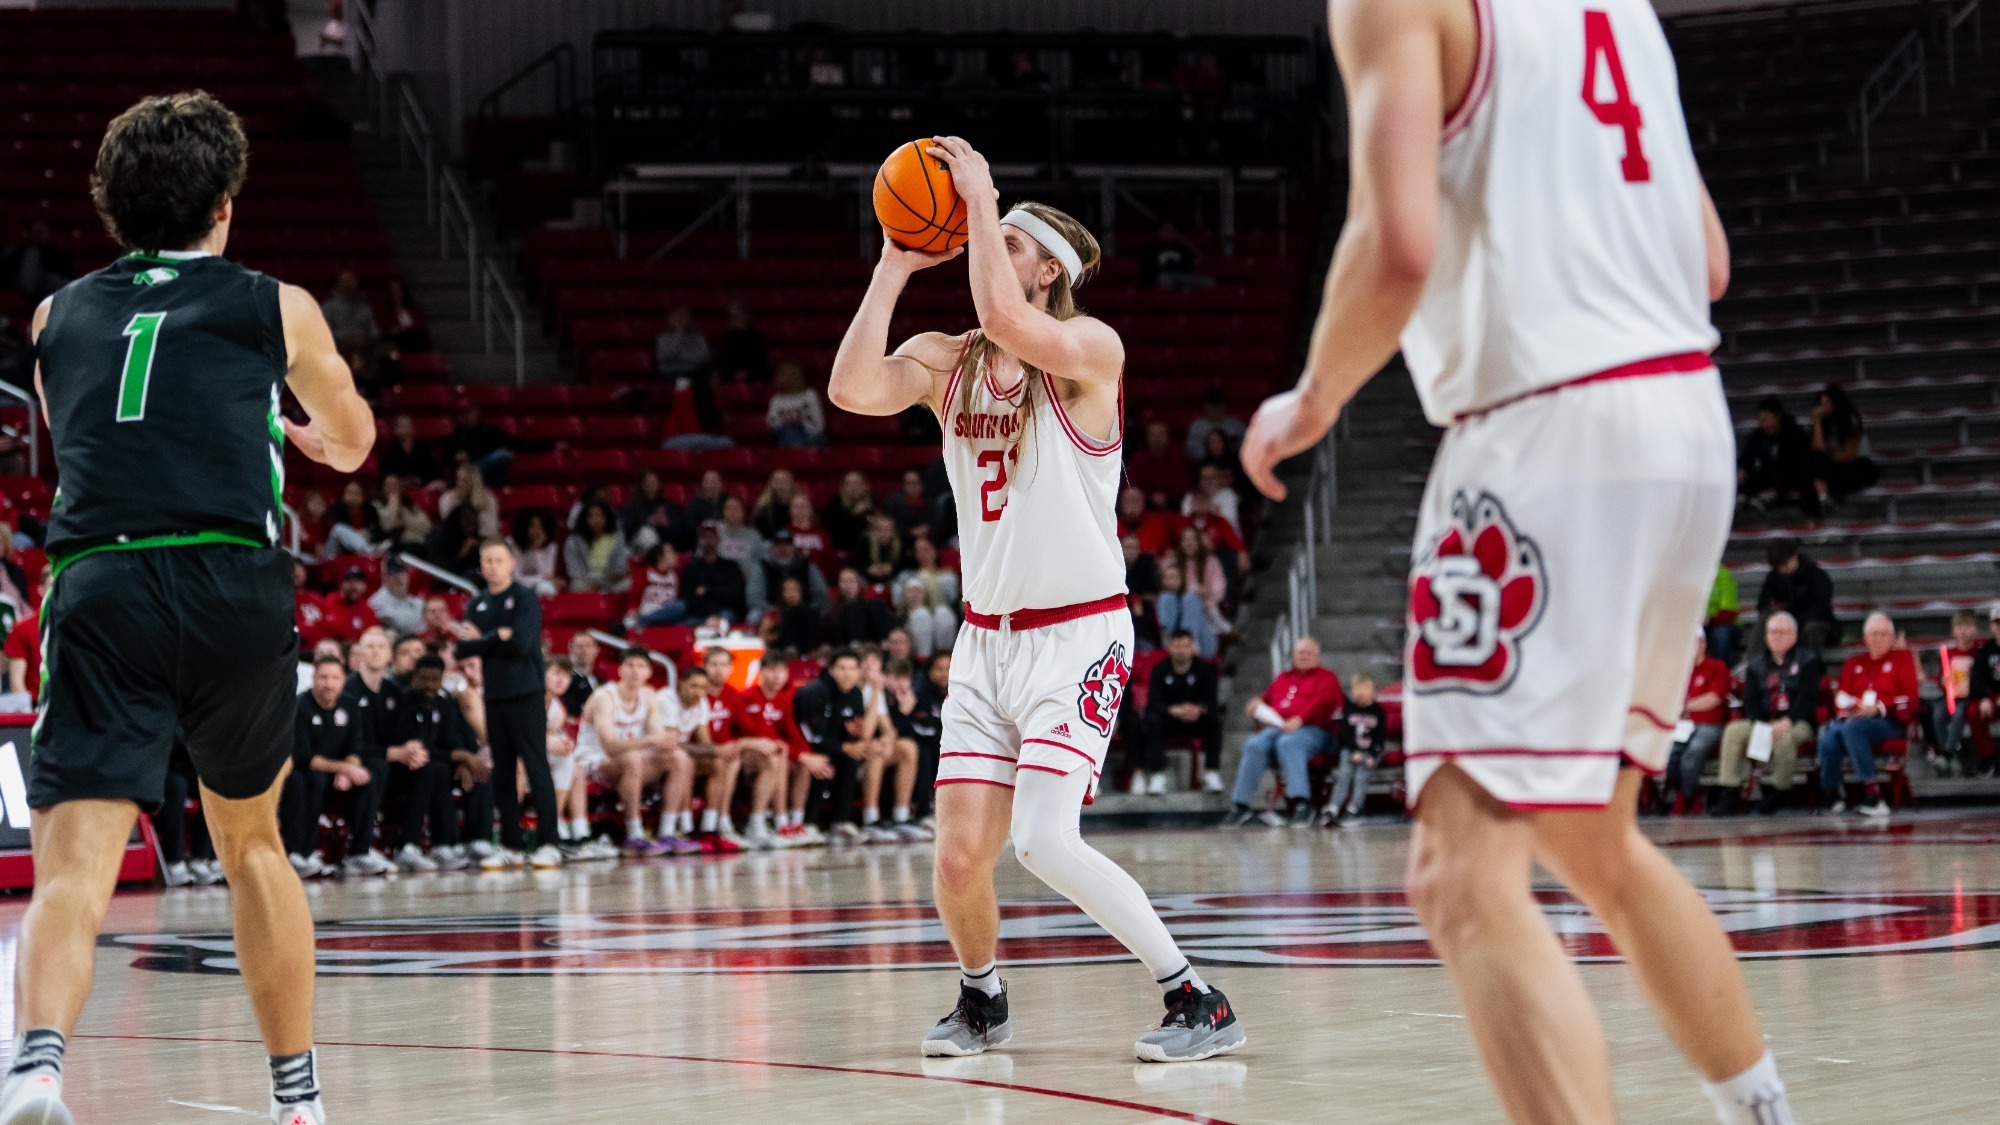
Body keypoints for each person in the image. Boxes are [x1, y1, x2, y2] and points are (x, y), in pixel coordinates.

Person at [1238, 3, 1796, 1120]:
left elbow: (1396, 244)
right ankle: (1760, 1110)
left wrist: (1312, 396)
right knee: (1596, 839)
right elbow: (1710, 260)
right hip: (1686, 421)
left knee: (1457, 875)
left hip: (1548, 429)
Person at [829, 155, 1243, 1062]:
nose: (989, 242)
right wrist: (893, 268)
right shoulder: (951, 362)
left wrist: (977, 195)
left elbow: (1004, 318)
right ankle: (983, 999)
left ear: (1045, 269)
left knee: (1047, 841)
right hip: (987, 643)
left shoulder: (1092, 350)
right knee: (956, 857)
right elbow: (851, 388)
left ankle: (1196, 997)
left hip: (1079, 632)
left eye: (1008, 240)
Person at [10, 91, 372, 1125]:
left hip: (103, 580)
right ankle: (296, 1102)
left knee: (74, 862)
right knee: (252, 843)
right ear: (224, 203)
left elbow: (77, 429)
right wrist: (306, 437)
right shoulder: (275, 303)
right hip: (229, 578)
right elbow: (352, 440)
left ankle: (37, 1067)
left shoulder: (53, 316)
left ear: (112, 210)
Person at [452, 540, 562, 869]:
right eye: (487, 560)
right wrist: (495, 636)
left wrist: (485, 641)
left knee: (536, 766)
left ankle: (549, 843)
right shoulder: (478, 603)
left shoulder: (525, 598)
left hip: (526, 693)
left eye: (499, 559)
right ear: (481, 565)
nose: (493, 566)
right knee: (503, 771)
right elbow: (461, 651)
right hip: (495, 695)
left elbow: (522, 643)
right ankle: (512, 845)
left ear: (511, 563)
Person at [576, 647, 694, 855]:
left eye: (641, 667)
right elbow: (610, 747)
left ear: (649, 673)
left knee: (680, 758)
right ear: (620, 670)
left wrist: (666, 741)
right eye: (630, 666)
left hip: (632, 762)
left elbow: (659, 736)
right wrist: (651, 740)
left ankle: (667, 832)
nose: (635, 671)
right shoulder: (604, 697)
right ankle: (634, 834)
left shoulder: (648, 695)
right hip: (595, 763)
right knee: (632, 758)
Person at [1227, 636, 1343, 823]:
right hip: (1279, 727)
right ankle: (1240, 804)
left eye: (1308, 653)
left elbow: (1322, 703)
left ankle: (1301, 802)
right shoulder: (1282, 677)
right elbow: (1266, 700)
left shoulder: (1327, 677)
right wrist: (1257, 703)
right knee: (1254, 744)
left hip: (1314, 729)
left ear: (1317, 656)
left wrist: (1300, 719)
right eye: (1300, 653)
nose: (1304, 656)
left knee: (1288, 742)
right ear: (1294, 655)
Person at [1716, 612, 1819, 816]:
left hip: (1797, 721)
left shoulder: (1808, 661)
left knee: (1785, 737)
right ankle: (1730, 790)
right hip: (1764, 720)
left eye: (1781, 632)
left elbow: (1808, 699)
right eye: (1772, 632)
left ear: (1794, 636)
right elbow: (1751, 700)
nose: (1775, 637)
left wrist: (1787, 721)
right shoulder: (1756, 664)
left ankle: (1779, 791)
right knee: (1733, 731)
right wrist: (1762, 724)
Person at [1817, 611, 1916, 818]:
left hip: (1887, 720)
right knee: (1830, 734)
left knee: (1852, 728)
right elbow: (1841, 698)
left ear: (1892, 637)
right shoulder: (1853, 664)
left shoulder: (1902, 659)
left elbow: (1910, 696)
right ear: (1865, 638)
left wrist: (1879, 706)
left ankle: (1874, 795)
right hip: (1853, 720)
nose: (1878, 639)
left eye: (1883, 634)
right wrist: (1850, 710)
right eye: (1874, 634)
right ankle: (1831, 793)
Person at [281, 656, 373, 879]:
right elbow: (303, 757)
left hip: (336, 775)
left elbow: (356, 747)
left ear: (343, 681)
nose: (329, 683)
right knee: (309, 780)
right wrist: (344, 768)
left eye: (335, 678)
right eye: (323, 677)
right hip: (305, 773)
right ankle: (299, 852)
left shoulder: (350, 705)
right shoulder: (300, 706)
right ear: (313, 679)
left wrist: (349, 769)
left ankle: (359, 852)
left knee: (370, 777)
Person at [337, 627, 414, 874]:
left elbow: (400, 738)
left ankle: (411, 847)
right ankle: (359, 852)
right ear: (358, 653)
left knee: (432, 769)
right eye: (369, 646)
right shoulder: (348, 689)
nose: (375, 652)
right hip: (350, 762)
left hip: (385, 763)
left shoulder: (393, 693)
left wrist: (411, 750)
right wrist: (392, 753)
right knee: (375, 768)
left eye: (381, 646)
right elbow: (352, 743)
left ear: (390, 654)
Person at [404, 654, 489, 867]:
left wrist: (463, 760)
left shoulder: (445, 703)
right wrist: (457, 756)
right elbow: (417, 750)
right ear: (413, 678)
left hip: (440, 762)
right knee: (437, 769)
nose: (429, 685)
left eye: (435, 680)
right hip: (407, 769)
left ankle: (477, 840)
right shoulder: (403, 702)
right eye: (424, 679)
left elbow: (455, 739)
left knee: (479, 768)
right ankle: (440, 845)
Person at [1132, 629, 1220, 796]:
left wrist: (1198, 710)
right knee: (1152, 720)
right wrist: (1174, 710)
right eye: (1177, 646)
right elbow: (1153, 703)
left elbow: (1211, 701)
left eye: (1186, 646)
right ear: (1169, 648)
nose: (1181, 650)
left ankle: (1211, 772)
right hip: (1169, 720)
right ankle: (1158, 775)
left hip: (1195, 720)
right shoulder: (1159, 670)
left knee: (1214, 720)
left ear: (1193, 647)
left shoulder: (1204, 669)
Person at [732, 652, 800, 847]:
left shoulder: (784, 700)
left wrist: (805, 756)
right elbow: (744, 731)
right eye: (771, 671)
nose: (776, 676)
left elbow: (793, 734)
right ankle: (758, 821)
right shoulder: (746, 696)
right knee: (775, 758)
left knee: (786, 757)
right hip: (743, 752)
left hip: (767, 751)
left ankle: (785, 822)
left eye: (781, 671)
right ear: (761, 672)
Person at [1665, 635, 1730, 817]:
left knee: (1694, 750)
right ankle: (1685, 792)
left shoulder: (1717, 667)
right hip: (1683, 724)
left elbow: (1714, 698)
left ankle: (1687, 795)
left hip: (1709, 723)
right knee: (1670, 752)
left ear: (1702, 644)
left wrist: (1685, 706)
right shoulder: (1680, 670)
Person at [1932, 608, 1993, 776]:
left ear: (1975, 629)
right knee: (1938, 713)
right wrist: (1943, 682)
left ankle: (1947, 753)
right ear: (1953, 630)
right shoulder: (1949, 653)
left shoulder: (1979, 652)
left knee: (1960, 713)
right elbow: (1940, 678)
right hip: (1952, 696)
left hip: (1970, 697)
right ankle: (1948, 753)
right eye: (1959, 626)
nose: (1963, 631)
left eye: (1967, 626)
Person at [1324, 672, 1388, 825]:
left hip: (1370, 751)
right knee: (1344, 775)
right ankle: (1334, 806)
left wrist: (1372, 754)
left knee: (1361, 776)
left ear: (1374, 692)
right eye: (1357, 689)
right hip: (1350, 751)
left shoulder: (1378, 712)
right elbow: (1345, 733)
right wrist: (1353, 751)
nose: (1361, 693)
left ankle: (1355, 807)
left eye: (1366, 689)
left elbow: (1380, 736)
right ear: (1352, 691)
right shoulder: (1349, 710)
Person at [1756, 539, 1837, 653]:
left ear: (1793, 556)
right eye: (1778, 567)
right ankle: (1753, 664)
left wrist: (1795, 621)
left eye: (1785, 564)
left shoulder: (1817, 575)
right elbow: (1762, 604)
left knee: (1812, 628)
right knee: (1765, 619)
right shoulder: (1774, 577)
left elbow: (1821, 609)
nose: (1782, 570)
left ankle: (1811, 666)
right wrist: (1773, 607)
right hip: (1786, 623)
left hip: (1813, 623)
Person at [1736, 396, 1812, 514]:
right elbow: (1746, 457)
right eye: (1760, 420)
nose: (1763, 425)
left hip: (1790, 479)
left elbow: (1801, 463)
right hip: (1766, 479)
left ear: (1777, 416)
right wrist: (1742, 469)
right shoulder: (1757, 437)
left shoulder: (1795, 435)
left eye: (1766, 419)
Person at [1808, 382, 1877, 510]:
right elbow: (1818, 449)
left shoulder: (1851, 420)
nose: (1824, 407)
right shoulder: (1825, 422)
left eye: (1827, 403)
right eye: (1822, 404)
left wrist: (1827, 456)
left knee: (1820, 468)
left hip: (1857, 466)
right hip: (1834, 464)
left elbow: (1850, 455)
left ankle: (1826, 498)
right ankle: (1823, 498)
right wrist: (1816, 422)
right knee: (1812, 464)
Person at [681, 521, 748, 625]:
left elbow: (735, 596)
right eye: (704, 537)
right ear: (699, 541)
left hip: (725, 613)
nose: (708, 540)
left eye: (711, 536)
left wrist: (707, 590)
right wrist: (719, 592)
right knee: (686, 623)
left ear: (718, 540)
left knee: (727, 617)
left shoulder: (731, 566)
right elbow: (689, 598)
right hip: (698, 615)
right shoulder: (691, 568)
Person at [564, 499, 632, 595]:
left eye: (599, 516)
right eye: (591, 516)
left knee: (628, 583)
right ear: (585, 519)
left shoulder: (617, 538)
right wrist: (593, 583)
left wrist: (603, 582)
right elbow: (574, 572)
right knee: (577, 585)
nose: (596, 520)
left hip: (610, 583)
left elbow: (620, 569)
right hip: (586, 583)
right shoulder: (573, 542)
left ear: (606, 518)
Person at [1153, 560, 1216, 660]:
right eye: (1169, 578)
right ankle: (1182, 645)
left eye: (1176, 577)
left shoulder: (1191, 598)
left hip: (1200, 643)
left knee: (1190, 599)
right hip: (1171, 644)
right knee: (1167, 598)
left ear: (1182, 579)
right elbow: (1164, 626)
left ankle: (1188, 644)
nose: (1172, 581)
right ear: (1162, 581)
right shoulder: (1163, 599)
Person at [621, 469, 687, 556]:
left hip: (663, 545)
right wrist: (647, 522)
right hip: (637, 545)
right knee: (647, 534)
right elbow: (626, 530)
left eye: (654, 483)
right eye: (648, 483)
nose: (651, 486)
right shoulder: (632, 505)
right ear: (642, 485)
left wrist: (666, 524)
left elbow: (678, 531)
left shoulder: (666, 505)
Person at [1969, 603, 2000, 780]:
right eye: (1997, 623)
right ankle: (1987, 757)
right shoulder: (1986, 650)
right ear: (1991, 626)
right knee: (1973, 712)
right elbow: (1977, 679)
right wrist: (1983, 698)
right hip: (1993, 696)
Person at [319, 267, 379, 358]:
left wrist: (367, 336)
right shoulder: (329, 307)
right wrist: (349, 336)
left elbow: (375, 331)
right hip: (340, 347)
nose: (348, 285)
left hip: (366, 346)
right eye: (345, 281)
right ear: (339, 283)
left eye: (351, 281)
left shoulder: (364, 307)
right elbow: (326, 333)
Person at [767, 361, 828, 448]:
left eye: (780, 375)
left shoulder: (809, 395)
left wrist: (800, 421)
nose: (777, 379)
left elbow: (819, 425)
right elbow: (771, 424)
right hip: (788, 437)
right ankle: (799, 453)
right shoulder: (776, 399)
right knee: (788, 431)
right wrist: (785, 421)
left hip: (812, 436)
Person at [626, 542, 686, 629]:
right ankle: (643, 620)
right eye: (671, 552)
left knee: (681, 606)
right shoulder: (645, 573)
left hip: (667, 615)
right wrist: (632, 609)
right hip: (648, 610)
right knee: (680, 606)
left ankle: (643, 620)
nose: (675, 555)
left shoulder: (675, 576)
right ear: (659, 556)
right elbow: (634, 596)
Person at [827, 566, 894, 646]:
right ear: (838, 584)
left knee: (877, 605)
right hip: (844, 643)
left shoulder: (868, 606)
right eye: (844, 581)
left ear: (859, 584)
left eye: (851, 581)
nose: (847, 585)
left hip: (869, 642)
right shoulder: (833, 607)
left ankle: (884, 644)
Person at [437, 461, 500, 541]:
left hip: (483, 542)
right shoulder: (448, 499)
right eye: (458, 479)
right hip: (456, 544)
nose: (459, 484)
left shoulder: (489, 500)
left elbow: (490, 531)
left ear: (474, 483)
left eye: (464, 481)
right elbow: (449, 530)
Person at [897, 577, 956, 659]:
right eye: (910, 591)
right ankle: (923, 660)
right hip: (912, 655)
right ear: (903, 595)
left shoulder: (933, 614)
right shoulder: (899, 617)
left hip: (937, 651)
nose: (914, 595)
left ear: (925, 595)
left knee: (943, 611)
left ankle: (943, 656)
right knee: (921, 614)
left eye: (918, 591)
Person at [378, 413, 442, 488]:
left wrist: (421, 480)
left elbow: (433, 471)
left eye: (408, 425)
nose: (406, 428)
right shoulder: (391, 451)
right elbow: (387, 474)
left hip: (423, 487)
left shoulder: (423, 448)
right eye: (402, 425)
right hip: (399, 489)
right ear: (396, 430)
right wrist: (403, 482)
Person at [1183, 385, 1243, 464]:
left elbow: (1247, 447)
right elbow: (1193, 454)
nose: (1216, 408)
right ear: (1205, 405)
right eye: (1212, 405)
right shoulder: (1196, 427)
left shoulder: (1235, 425)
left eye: (1219, 404)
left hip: (1233, 466)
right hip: (1206, 467)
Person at [715, 298, 771, 383]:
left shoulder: (758, 339)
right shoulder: (725, 340)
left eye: (737, 316)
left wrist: (747, 374)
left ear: (747, 316)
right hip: (729, 378)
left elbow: (762, 364)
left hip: (754, 378)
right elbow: (721, 363)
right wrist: (733, 374)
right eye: (731, 316)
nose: (733, 320)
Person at [510, 509, 561, 596]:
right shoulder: (513, 545)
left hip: (537, 585)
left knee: (546, 587)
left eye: (540, 527)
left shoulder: (551, 547)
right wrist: (541, 578)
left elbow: (547, 574)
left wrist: (537, 549)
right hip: (517, 586)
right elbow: (515, 578)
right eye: (532, 526)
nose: (537, 531)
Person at [1704, 565, 1740, 666]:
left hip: (1723, 623)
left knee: (1720, 634)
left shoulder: (1723, 575)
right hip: (1697, 625)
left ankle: (1721, 670)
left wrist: (1709, 619)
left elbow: (1728, 613)